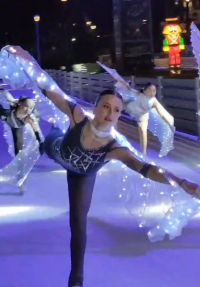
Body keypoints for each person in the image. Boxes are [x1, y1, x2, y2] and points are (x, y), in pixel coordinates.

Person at [1, 46, 200, 287]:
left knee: (78, 221)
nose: (110, 113)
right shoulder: (77, 115)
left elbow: (145, 168)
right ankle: (42, 140)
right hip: (58, 148)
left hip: (82, 174)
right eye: (105, 106)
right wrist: (28, 60)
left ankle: (77, 278)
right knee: (48, 140)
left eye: (116, 110)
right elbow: (48, 87)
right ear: (95, 108)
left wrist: (180, 182)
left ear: (118, 116)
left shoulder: (116, 148)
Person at [122, 82, 175, 155]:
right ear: (144, 90)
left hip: (142, 115)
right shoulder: (138, 94)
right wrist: (116, 76)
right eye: (150, 90)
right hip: (131, 107)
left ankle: (143, 152)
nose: (152, 93)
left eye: (154, 91)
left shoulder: (154, 102)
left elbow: (162, 114)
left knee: (143, 132)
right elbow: (128, 88)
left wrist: (170, 125)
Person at [0, 91, 44, 156]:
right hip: (7, 116)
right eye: (26, 106)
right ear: (20, 104)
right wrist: (3, 91)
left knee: (19, 144)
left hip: (16, 126)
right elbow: (7, 96)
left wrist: (40, 142)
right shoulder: (13, 105)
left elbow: (36, 130)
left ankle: (18, 158)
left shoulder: (29, 118)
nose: (28, 110)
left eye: (31, 108)